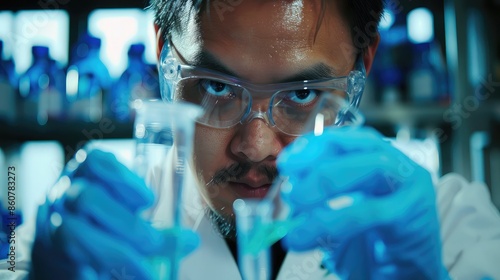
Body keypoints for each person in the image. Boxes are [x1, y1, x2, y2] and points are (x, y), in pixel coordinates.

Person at [2, 0, 500, 279]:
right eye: (216, 87)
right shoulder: (78, 239)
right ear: (163, 54)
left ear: (362, 66)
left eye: (302, 93)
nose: (255, 145)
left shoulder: (454, 229)